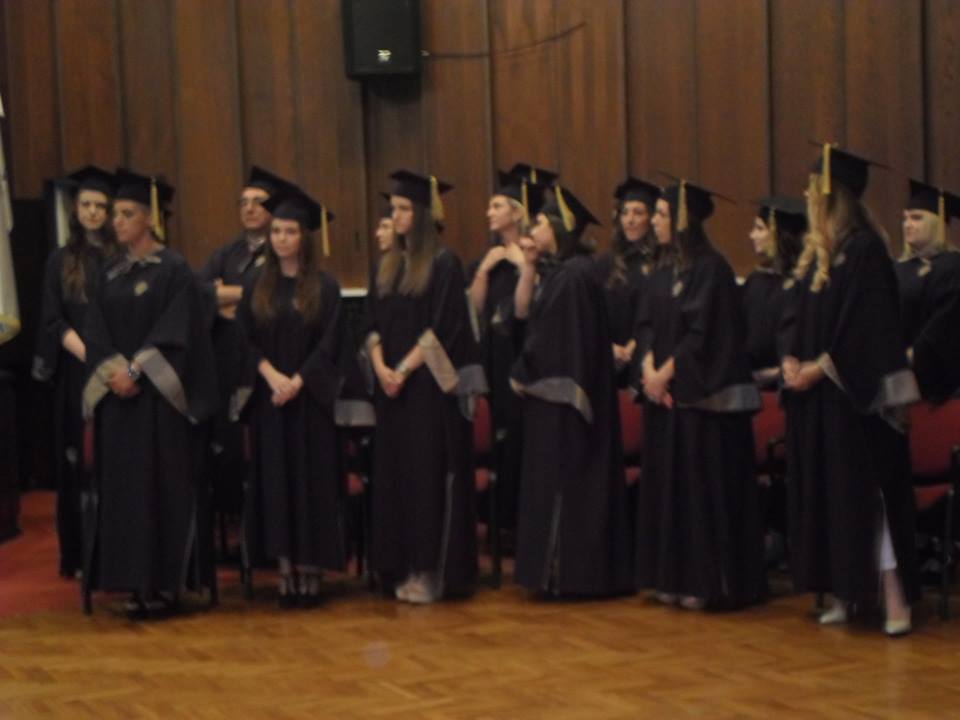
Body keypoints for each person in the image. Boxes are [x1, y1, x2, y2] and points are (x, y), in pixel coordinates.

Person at [781, 145, 919, 636]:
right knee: (830, 499)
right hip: (818, 402)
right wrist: (790, 359)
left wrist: (820, 368)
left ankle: (895, 599)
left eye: (811, 188)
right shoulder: (817, 255)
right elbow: (794, 319)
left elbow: (868, 331)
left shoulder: (864, 251)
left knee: (866, 498)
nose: (805, 195)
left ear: (830, 195)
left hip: (854, 404)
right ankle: (845, 591)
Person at [82, 168, 217, 617]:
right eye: (116, 214)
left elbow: (178, 331)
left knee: (161, 491)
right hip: (118, 406)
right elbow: (95, 330)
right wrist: (114, 372)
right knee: (125, 493)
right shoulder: (109, 272)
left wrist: (136, 371)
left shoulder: (174, 270)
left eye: (127, 214)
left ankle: (165, 585)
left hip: (158, 403)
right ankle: (131, 582)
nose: (116, 222)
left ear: (149, 218)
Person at [633, 179, 765, 610]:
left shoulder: (712, 269)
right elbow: (646, 326)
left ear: (682, 219)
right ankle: (669, 576)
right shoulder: (662, 269)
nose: (654, 221)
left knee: (698, 492)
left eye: (661, 214)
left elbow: (704, 333)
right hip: (665, 401)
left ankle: (705, 580)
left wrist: (667, 374)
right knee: (666, 490)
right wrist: (648, 370)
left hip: (700, 405)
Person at [364, 170, 486, 604]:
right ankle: (400, 565)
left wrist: (403, 370)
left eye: (403, 209)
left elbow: (444, 329)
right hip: (392, 392)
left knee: (426, 480)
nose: (396, 216)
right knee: (396, 479)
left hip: (428, 393)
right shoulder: (386, 265)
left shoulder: (443, 264)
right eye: (393, 209)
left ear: (421, 214)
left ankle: (430, 570)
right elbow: (371, 325)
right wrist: (381, 368)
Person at [510, 184, 633, 597]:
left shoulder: (575, 276)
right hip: (552, 400)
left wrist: (523, 370)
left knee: (568, 483)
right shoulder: (561, 272)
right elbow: (527, 318)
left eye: (541, 223)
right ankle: (552, 574)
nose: (533, 230)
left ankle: (569, 574)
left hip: (565, 403)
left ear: (559, 228)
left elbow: (557, 340)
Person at [236, 186, 347, 608]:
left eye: (290, 231)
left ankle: (312, 570)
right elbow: (244, 339)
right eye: (277, 231)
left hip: (310, 403)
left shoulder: (324, 286)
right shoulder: (255, 284)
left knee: (312, 485)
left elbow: (331, 342)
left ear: (305, 237)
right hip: (271, 403)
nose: (282, 238)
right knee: (277, 484)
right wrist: (271, 376)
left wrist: (299, 381)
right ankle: (285, 570)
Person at [33, 166, 118, 579]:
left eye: (100, 206)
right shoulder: (61, 260)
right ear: (75, 209)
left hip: (118, 372)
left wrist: (111, 360)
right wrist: (89, 354)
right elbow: (53, 320)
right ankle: (81, 555)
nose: (93, 212)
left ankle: (118, 553)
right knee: (77, 465)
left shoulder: (121, 257)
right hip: (76, 372)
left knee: (114, 461)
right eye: (86, 205)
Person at [198, 167, 297, 521]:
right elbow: (200, 292)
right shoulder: (227, 254)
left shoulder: (283, 250)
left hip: (269, 361)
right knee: (229, 444)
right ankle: (236, 523)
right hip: (227, 360)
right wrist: (237, 297)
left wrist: (230, 295)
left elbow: (274, 299)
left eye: (258, 202)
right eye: (243, 202)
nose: (250, 208)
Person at [466, 168, 545, 536]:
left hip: (525, 357)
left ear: (517, 212)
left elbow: (535, 305)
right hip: (493, 359)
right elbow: (475, 310)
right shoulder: (488, 258)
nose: (489, 213)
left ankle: (523, 523)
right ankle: (498, 522)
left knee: (523, 438)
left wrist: (520, 263)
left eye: (497, 206)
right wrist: (483, 271)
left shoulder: (531, 255)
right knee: (497, 436)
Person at [894, 180, 960, 401]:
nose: (907, 224)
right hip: (896, 375)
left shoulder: (953, 266)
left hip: (936, 378)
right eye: (905, 219)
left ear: (936, 222)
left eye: (916, 218)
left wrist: (914, 356)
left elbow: (946, 322)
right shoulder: (898, 267)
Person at [593, 177, 660, 385]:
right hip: (608, 359)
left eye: (638, 213)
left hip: (648, 361)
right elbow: (593, 312)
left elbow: (660, 314)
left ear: (651, 218)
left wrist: (637, 344)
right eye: (625, 213)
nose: (630, 220)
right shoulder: (606, 263)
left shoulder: (661, 263)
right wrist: (609, 347)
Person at [741, 196, 806, 387]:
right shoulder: (755, 279)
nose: (752, 235)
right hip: (749, 384)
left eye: (760, 228)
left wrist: (776, 373)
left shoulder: (800, 285)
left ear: (778, 234)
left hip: (786, 385)